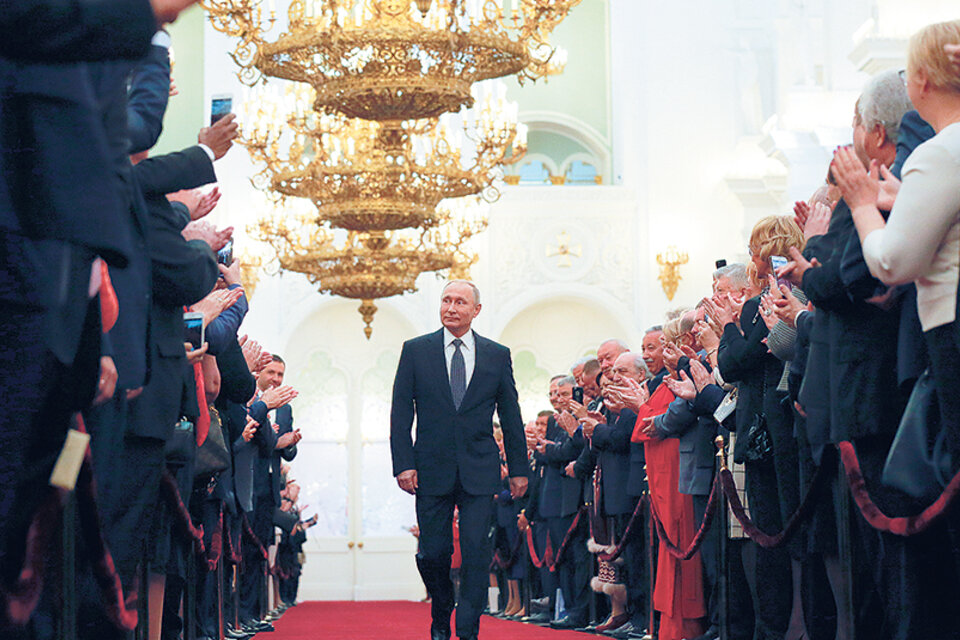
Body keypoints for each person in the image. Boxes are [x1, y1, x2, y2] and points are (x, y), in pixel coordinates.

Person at [391, 280, 528, 640]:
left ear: (475, 310)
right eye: (446, 300)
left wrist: (518, 469)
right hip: (430, 469)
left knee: (476, 554)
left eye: (460, 302)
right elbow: (400, 413)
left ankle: (467, 630)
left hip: (480, 471)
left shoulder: (497, 355)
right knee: (434, 553)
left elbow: (511, 416)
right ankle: (441, 611)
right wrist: (403, 464)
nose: (451, 308)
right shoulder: (415, 351)